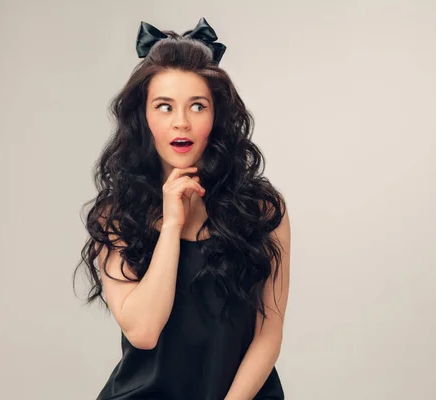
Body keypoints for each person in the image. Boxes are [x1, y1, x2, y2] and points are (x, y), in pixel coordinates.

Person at [73, 17, 290, 400]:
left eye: (197, 106)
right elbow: (143, 331)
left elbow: (268, 335)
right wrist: (172, 224)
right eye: (164, 107)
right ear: (144, 118)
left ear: (216, 116)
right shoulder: (117, 214)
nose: (181, 123)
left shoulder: (262, 209)